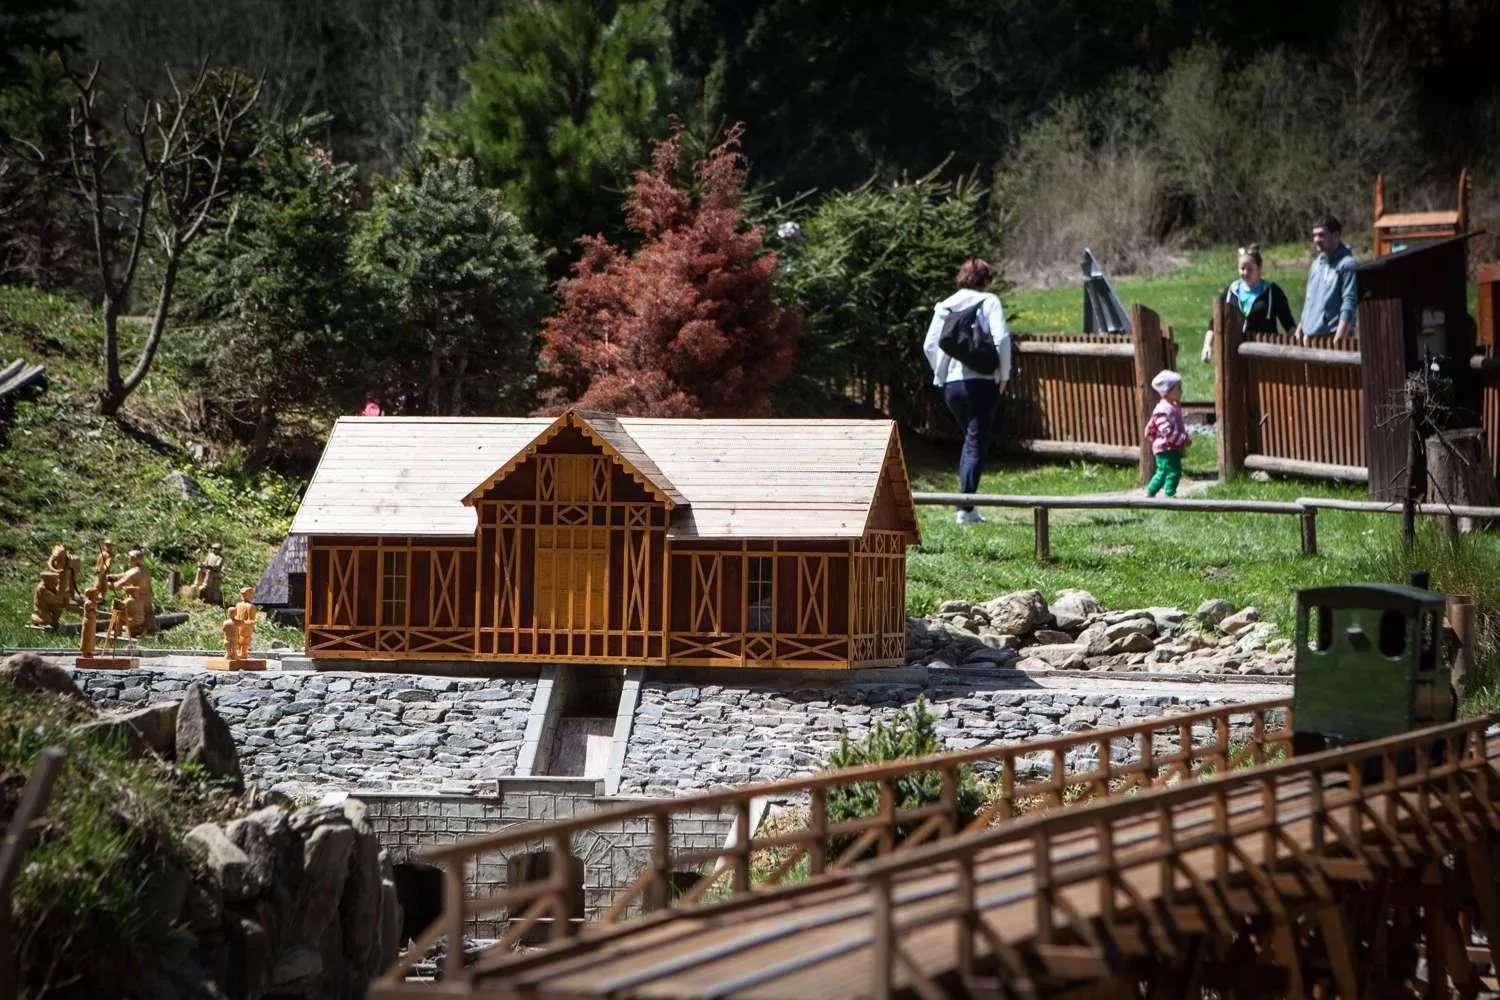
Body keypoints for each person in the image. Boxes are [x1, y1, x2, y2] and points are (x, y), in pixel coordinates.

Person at [923, 258, 1012, 524]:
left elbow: (930, 345)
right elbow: (1002, 338)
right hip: (981, 383)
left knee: (970, 440)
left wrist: (941, 373)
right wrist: (1003, 375)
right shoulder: (989, 302)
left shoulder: (945, 305)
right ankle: (966, 508)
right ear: (985, 280)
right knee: (975, 441)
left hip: (952, 387)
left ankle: (968, 507)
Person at [1293, 214, 1357, 341]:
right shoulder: (1316, 264)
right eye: (1314, 235)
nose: (1316, 239)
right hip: (1310, 336)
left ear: (1336, 236)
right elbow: (1309, 299)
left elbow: (1349, 301)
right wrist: (1301, 326)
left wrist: (1340, 336)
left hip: (1332, 336)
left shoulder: (1347, 264)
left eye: (1322, 235)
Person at [1144, 370, 1191, 498]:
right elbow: (1166, 431)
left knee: (1168, 471)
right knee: (1169, 471)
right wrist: (1182, 439)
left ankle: (1154, 492)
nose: (1181, 391)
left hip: (1170, 447)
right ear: (1167, 391)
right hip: (1165, 447)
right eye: (1178, 388)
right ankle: (1167, 493)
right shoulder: (1163, 409)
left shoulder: (1172, 406)